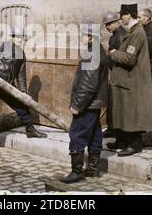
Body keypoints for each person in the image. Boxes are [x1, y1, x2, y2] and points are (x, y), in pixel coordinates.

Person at [0, 27, 47, 152]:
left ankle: (30, 130)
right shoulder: (2, 46)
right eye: (17, 37)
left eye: (22, 37)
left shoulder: (21, 54)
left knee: (22, 106)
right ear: (12, 37)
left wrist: (23, 93)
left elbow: (21, 75)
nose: (20, 40)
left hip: (8, 86)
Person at [61, 23, 108, 184]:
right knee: (95, 134)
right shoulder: (98, 49)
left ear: (90, 36)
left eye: (83, 34)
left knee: (77, 134)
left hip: (87, 103)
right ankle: (93, 169)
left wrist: (77, 105)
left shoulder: (92, 53)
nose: (80, 37)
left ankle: (76, 171)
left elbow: (88, 84)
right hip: (94, 103)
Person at [108, 3, 152, 157]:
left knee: (132, 113)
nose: (120, 19)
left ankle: (134, 145)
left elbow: (129, 58)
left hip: (133, 80)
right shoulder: (133, 31)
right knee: (123, 111)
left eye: (122, 16)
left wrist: (114, 53)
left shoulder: (137, 33)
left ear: (128, 15)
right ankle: (122, 141)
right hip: (127, 79)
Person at [102, 11, 125, 138]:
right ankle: (112, 128)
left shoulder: (121, 36)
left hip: (119, 73)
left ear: (117, 22)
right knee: (113, 103)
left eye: (110, 23)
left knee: (117, 105)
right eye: (106, 25)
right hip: (114, 72)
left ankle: (117, 131)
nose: (108, 27)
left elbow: (121, 56)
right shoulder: (114, 36)